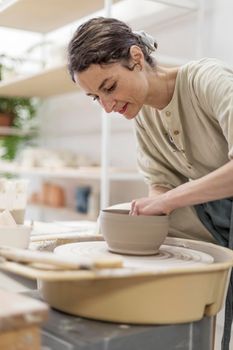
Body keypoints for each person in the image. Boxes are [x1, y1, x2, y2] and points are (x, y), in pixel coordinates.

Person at [68, 17, 233, 349]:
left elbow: (167, 198)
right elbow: (161, 182)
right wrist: (145, 215)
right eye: (95, 98)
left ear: (137, 58)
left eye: (109, 87)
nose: (107, 106)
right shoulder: (143, 115)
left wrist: (165, 202)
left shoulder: (207, 79)